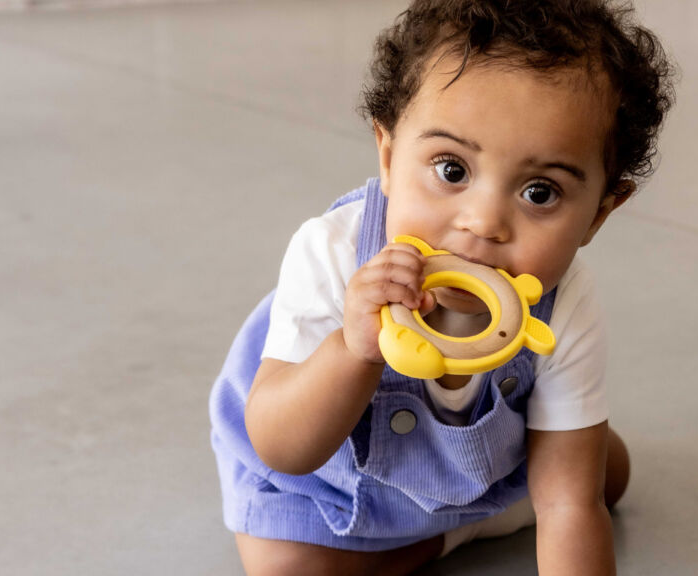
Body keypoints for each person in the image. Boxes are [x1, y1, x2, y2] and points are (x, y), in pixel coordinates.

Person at [209, 1, 674, 574]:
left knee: (603, 478)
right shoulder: (334, 252)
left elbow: (570, 505)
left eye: (540, 192)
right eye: (452, 169)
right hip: (327, 492)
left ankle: (465, 520)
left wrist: (567, 502)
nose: (483, 223)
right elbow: (283, 448)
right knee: (287, 567)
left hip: (476, 475)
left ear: (600, 214)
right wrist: (355, 349)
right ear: (388, 155)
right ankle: (450, 537)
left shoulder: (565, 301)